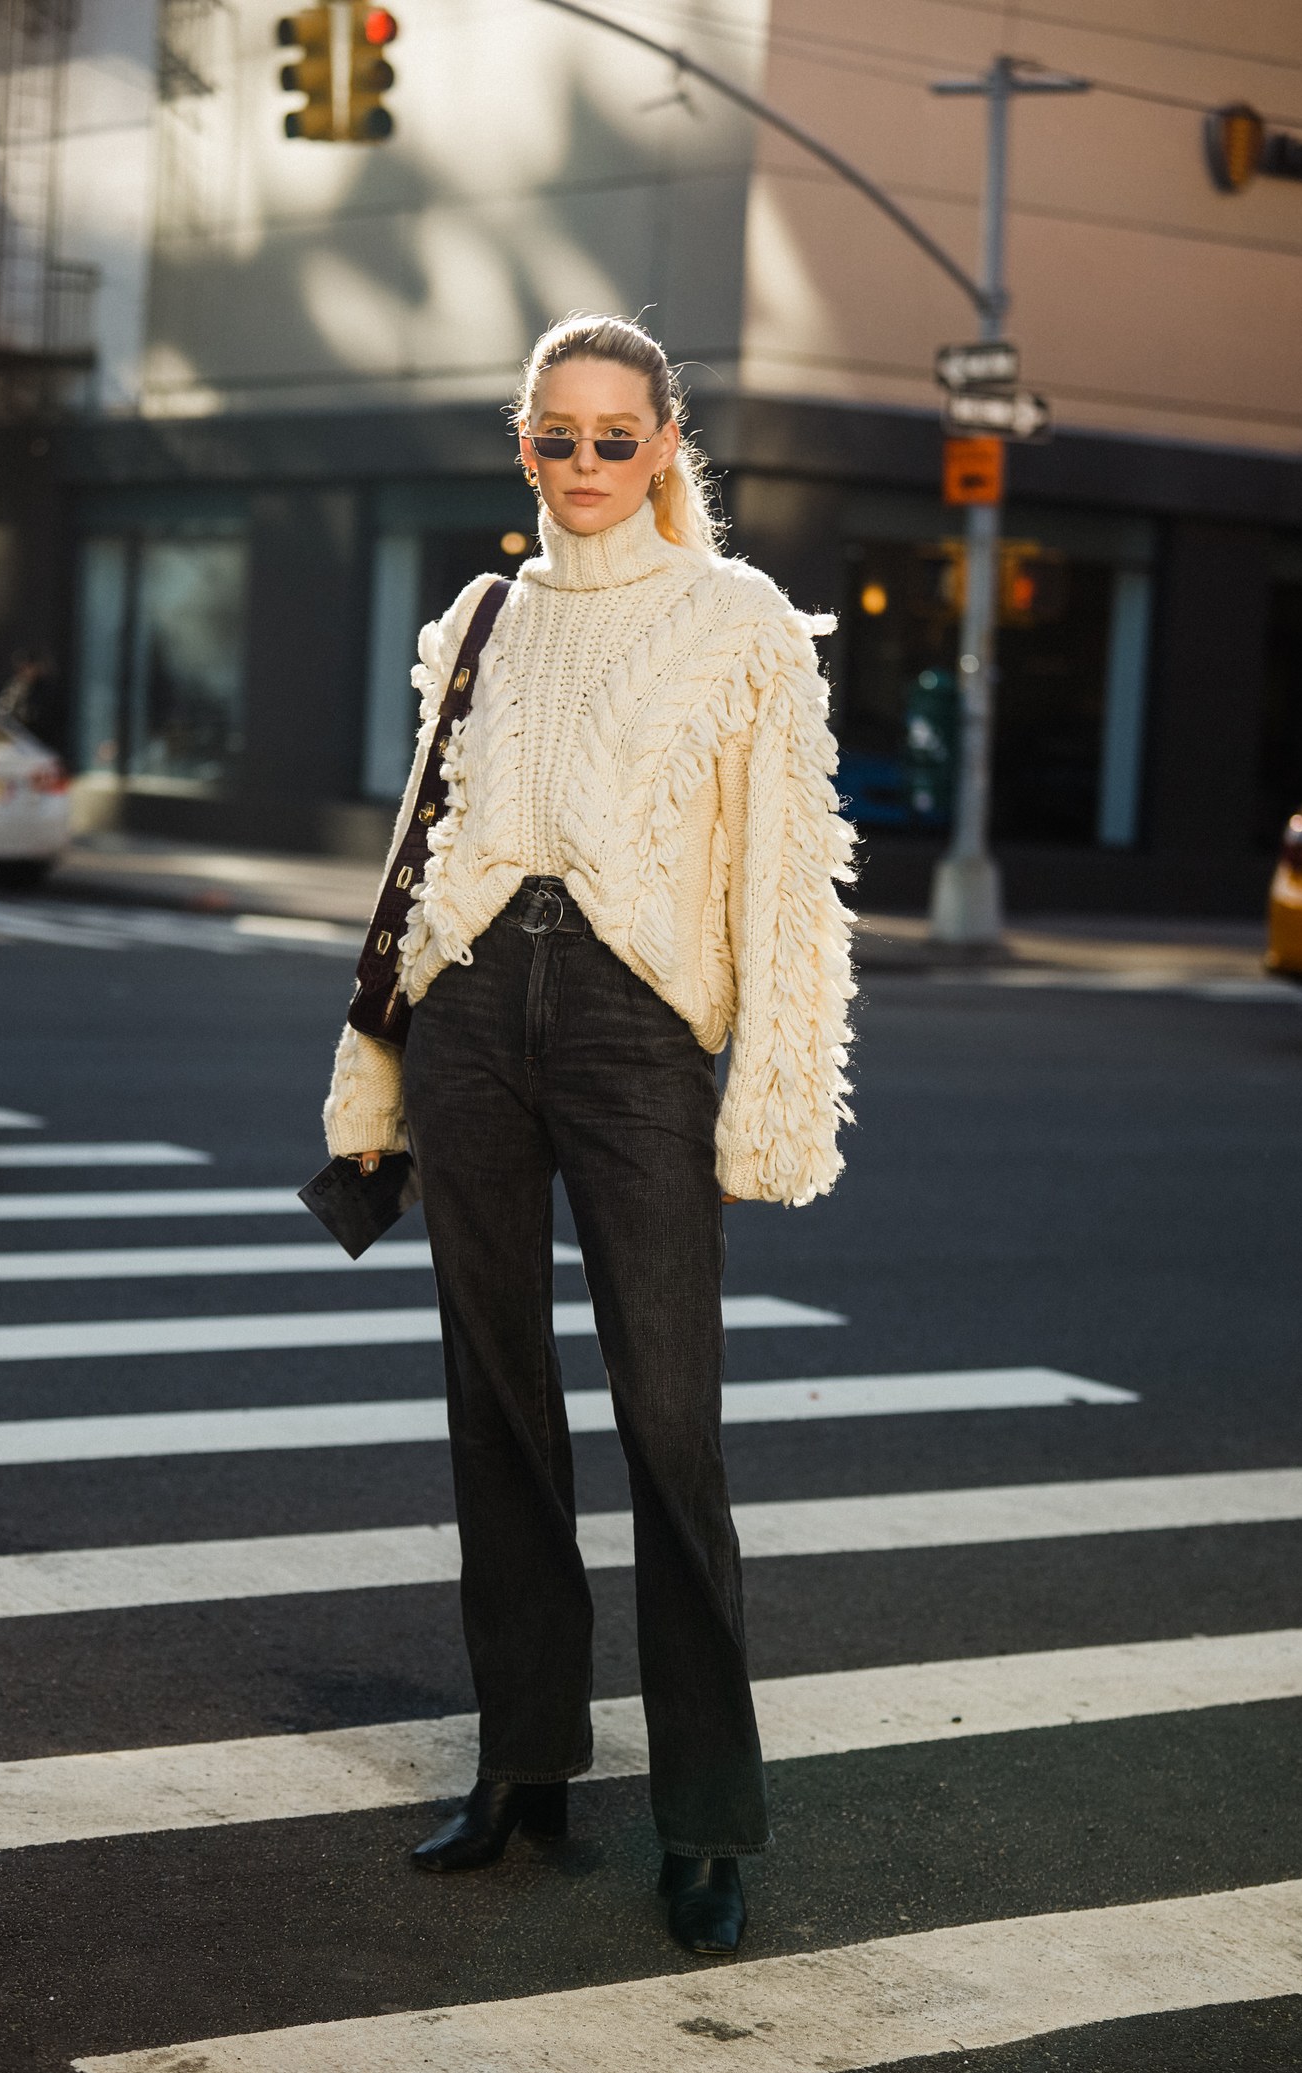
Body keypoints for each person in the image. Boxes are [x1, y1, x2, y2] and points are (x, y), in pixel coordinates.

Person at [323, 314, 856, 1956]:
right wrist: (374, 1068)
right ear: (525, 446)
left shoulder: (738, 623)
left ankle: (705, 1818)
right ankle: (524, 1760)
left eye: (616, 436)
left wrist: (775, 1089)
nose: (585, 464)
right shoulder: (483, 617)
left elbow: (783, 876)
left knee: (669, 1428)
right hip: (475, 1013)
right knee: (493, 1405)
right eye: (555, 435)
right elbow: (423, 843)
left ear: (667, 446)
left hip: (636, 1035)